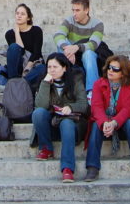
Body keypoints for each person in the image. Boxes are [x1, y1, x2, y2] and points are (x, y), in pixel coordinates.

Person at [85, 55, 130, 181]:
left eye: (115, 69)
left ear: (123, 73)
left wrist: (114, 122)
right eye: (109, 67)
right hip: (105, 120)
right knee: (95, 125)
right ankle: (92, 168)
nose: (110, 71)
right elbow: (96, 107)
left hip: (123, 120)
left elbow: (129, 108)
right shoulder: (99, 83)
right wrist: (105, 123)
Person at [31, 52, 89, 183]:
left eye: (55, 67)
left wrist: (71, 107)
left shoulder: (76, 80)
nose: (51, 70)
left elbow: (84, 104)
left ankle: (67, 169)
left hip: (71, 123)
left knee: (67, 123)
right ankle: (46, 148)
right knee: (38, 113)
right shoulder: (45, 81)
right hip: (53, 123)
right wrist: (45, 83)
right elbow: (40, 105)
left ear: (64, 68)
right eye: (49, 67)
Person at [53, 0, 104, 96]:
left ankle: (92, 92)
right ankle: (61, 83)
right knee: (61, 44)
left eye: (77, 10)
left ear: (87, 10)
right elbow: (58, 35)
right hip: (70, 55)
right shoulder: (69, 21)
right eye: (73, 10)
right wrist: (68, 49)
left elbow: (94, 44)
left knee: (88, 53)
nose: (74, 14)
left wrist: (77, 47)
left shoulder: (97, 24)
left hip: (86, 55)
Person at [4, 3, 45, 87]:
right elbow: (20, 50)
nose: (19, 16)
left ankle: (15, 85)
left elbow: (37, 53)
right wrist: (17, 32)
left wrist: (27, 68)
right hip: (18, 67)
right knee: (13, 47)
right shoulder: (9, 34)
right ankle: (14, 83)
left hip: (33, 65)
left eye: (23, 14)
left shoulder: (36, 30)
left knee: (43, 68)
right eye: (17, 13)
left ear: (28, 18)